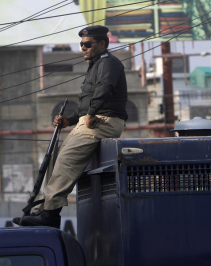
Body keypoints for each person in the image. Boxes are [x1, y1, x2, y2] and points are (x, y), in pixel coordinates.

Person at [13, 25, 128, 229]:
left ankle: (50, 215)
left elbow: (104, 90)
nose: (83, 48)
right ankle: (45, 211)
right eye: (81, 44)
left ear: (102, 44)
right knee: (54, 159)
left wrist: (90, 113)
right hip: (91, 119)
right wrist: (69, 120)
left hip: (103, 121)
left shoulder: (109, 63)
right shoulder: (95, 64)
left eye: (88, 44)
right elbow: (86, 105)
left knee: (67, 160)